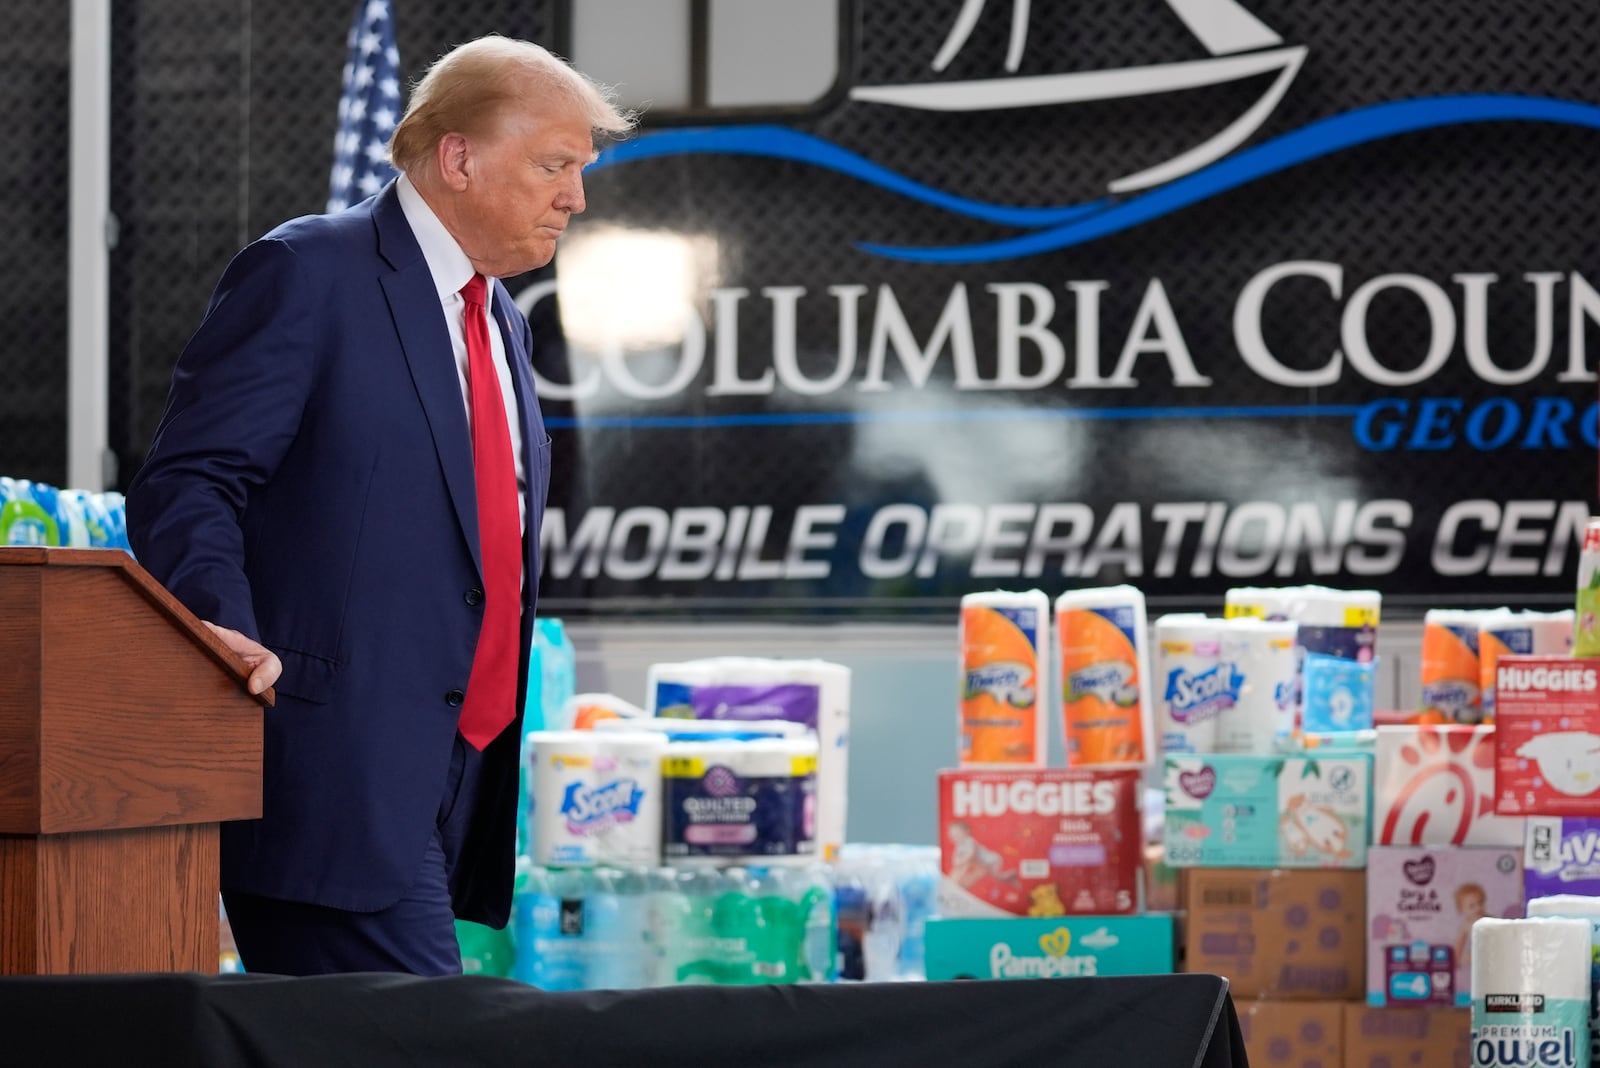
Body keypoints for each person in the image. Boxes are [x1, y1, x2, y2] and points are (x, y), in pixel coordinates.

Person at [126, 37, 633, 976]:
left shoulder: (502, 319)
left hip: (459, 773)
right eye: (556, 165)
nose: (576, 197)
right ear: (459, 157)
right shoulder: (308, 273)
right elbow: (190, 480)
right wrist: (219, 638)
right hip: (331, 768)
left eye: (580, 170)